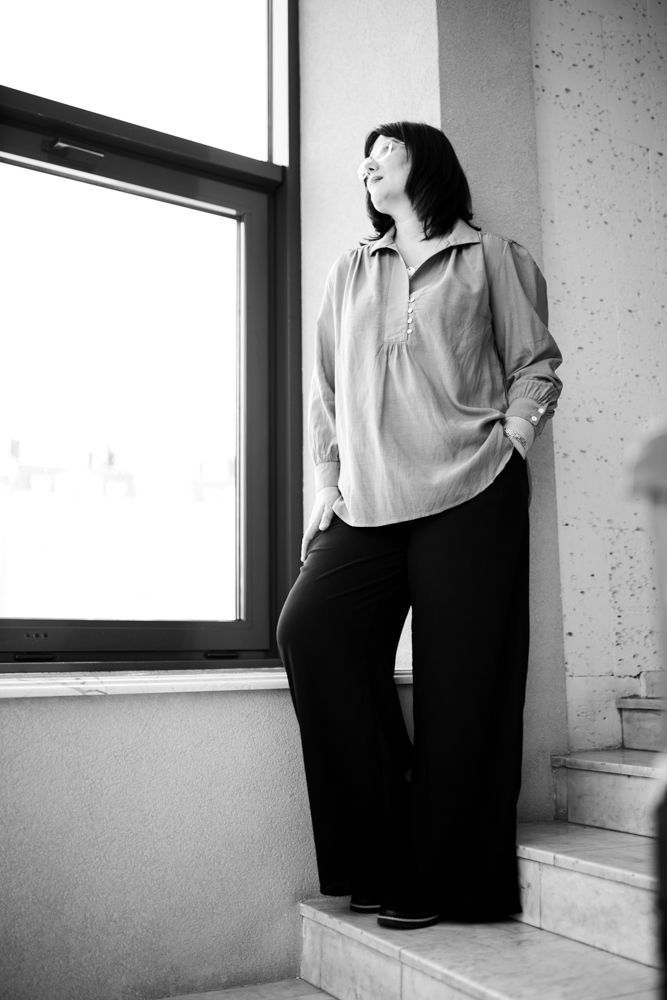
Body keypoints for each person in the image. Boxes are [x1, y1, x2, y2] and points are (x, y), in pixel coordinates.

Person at [277, 121, 562, 930]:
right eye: (363, 158)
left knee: (463, 686)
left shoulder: (492, 258)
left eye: (386, 151)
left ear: (427, 162)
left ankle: (445, 879)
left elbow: (534, 361)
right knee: (312, 631)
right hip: (366, 501)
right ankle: (380, 855)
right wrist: (325, 484)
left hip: (472, 487)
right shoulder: (349, 270)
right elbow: (324, 390)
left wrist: (514, 437)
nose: (368, 164)